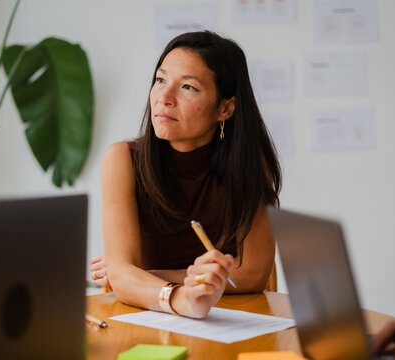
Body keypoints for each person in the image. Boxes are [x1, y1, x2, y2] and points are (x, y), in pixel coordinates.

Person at [91, 31, 281, 319]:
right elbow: (121, 278)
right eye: (160, 80)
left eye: (188, 87)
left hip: (230, 316)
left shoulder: (250, 164)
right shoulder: (123, 160)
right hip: (146, 314)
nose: (164, 98)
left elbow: (253, 274)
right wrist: (183, 296)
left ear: (225, 108)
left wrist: (145, 275)